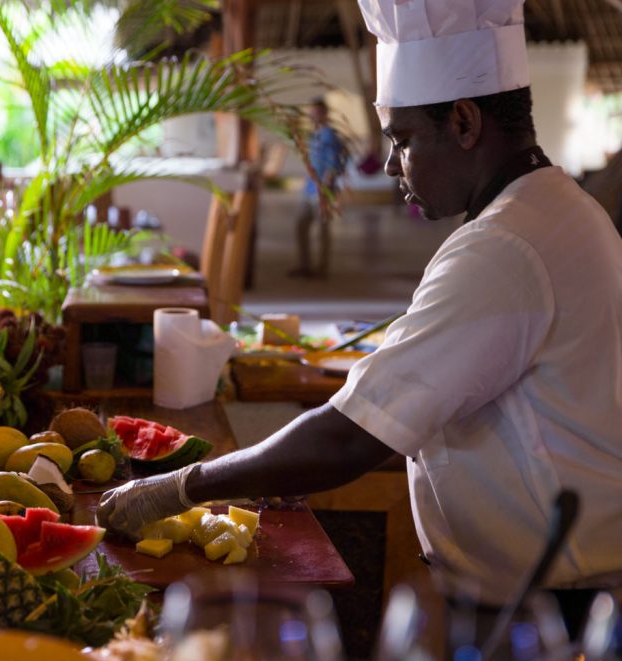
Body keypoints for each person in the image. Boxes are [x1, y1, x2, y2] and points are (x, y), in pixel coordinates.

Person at [99, 0, 622, 629]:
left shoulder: (504, 246)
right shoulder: (561, 208)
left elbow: (349, 436)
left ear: (463, 121)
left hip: (555, 607)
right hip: (558, 586)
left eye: (404, 140)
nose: (395, 165)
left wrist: (177, 487)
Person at [290, 97, 347, 279]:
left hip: (322, 189)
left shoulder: (328, 135)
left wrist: (326, 187)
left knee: (322, 230)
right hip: (309, 188)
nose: (312, 115)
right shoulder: (315, 134)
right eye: (311, 112)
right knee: (301, 225)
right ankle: (305, 265)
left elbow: (333, 163)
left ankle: (321, 269)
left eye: (316, 112)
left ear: (324, 114)